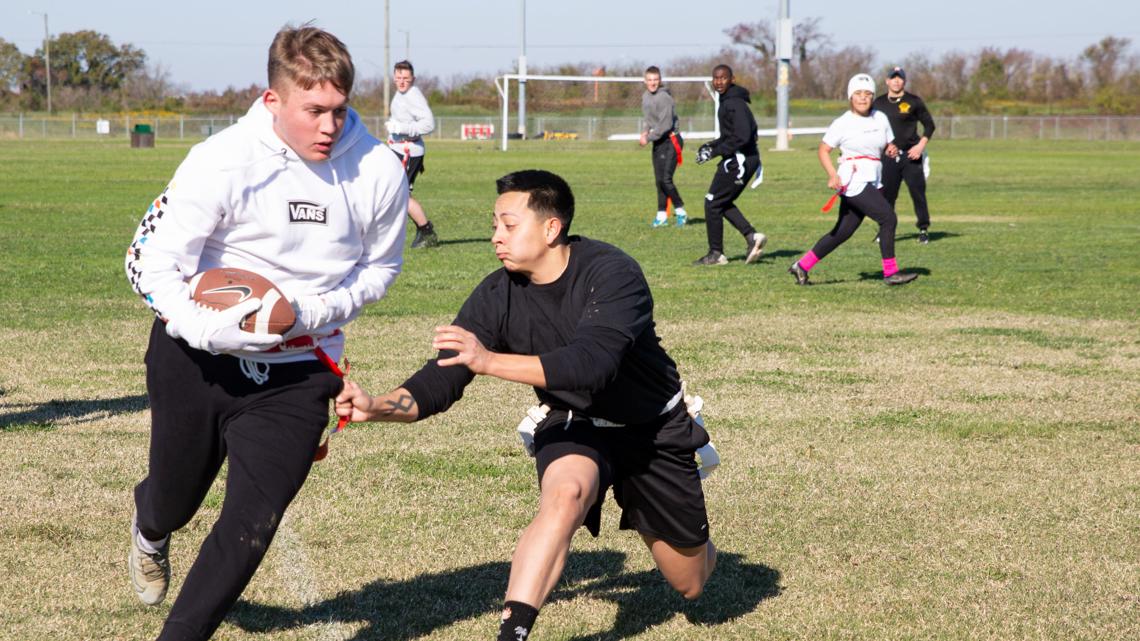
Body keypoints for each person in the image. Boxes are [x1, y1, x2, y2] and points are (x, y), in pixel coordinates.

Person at [335, 169, 719, 641]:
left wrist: (490, 360)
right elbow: (443, 378)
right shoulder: (498, 293)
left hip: (651, 428)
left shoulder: (613, 272)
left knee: (690, 583)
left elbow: (590, 365)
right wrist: (377, 405)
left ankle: (683, 527)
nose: (495, 237)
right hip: (575, 419)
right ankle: (512, 634)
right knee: (565, 496)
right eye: (494, 224)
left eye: (508, 225)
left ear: (551, 228)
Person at [124, 25, 407, 640]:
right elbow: (147, 262)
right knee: (175, 496)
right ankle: (150, 528)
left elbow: (381, 268)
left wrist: (305, 312)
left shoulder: (380, 169)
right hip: (194, 358)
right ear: (273, 99)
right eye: (314, 111)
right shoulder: (221, 158)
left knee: (254, 520)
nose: (329, 126)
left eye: (339, 110)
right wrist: (209, 329)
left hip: (302, 370)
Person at [787, 73, 918, 287]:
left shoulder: (881, 118)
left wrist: (891, 149)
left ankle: (801, 266)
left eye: (867, 94)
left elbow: (888, 145)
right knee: (888, 219)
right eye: (858, 93)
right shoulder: (843, 123)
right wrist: (832, 174)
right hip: (854, 180)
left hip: (874, 178)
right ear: (850, 97)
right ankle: (891, 273)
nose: (863, 98)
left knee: (843, 232)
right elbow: (823, 150)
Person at [692, 64, 766, 266]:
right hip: (739, 158)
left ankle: (716, 254)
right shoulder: (727, 100)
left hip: (740, 160)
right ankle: (751, 237)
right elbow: (728, 136)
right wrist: (709, 146)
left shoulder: (734, 103)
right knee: (719, 202)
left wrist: (716, 151)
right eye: (716, 78)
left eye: (723, 78)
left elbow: (742, 137)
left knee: (712, 202)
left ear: (732, 79)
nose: (719, 82)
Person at [872, 66, 936, 244]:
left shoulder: (913, 101)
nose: (896, 81)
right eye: (893, 78)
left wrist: (920, 147)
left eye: (900, 78)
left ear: (904, 81)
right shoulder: (878, 103)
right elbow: (873, 129)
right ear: (887, 81)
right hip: (889, 156)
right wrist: (885, 146)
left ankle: (923, 229)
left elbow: (929, 126)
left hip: (911, 156)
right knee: (887, 196)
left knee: (917, 193)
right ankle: (884, 231)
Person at [387, 60, 440, 249]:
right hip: (399, 148)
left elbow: (428, 124)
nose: (401, 81)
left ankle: (426, 231)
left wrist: (402, 128)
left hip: (408, 151)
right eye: (398, 77)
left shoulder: (413, 96)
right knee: (389, 191)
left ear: (413, 79)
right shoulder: (401, 93)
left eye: (406, 78)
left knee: (401, 194)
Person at [639, 65, 688, 228]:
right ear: (645, 81)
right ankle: (661, 216)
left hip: (671, 141)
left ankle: (680, 211)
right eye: (650, 80)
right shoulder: (645, 96)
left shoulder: (664, 98)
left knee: (666, 179)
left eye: (656, 80)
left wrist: (649, 138)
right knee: (659, 180)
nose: (653, 83)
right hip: (659, 141)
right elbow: (647, 119)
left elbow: (666, 125)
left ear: (660, 81)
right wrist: (644, 132)